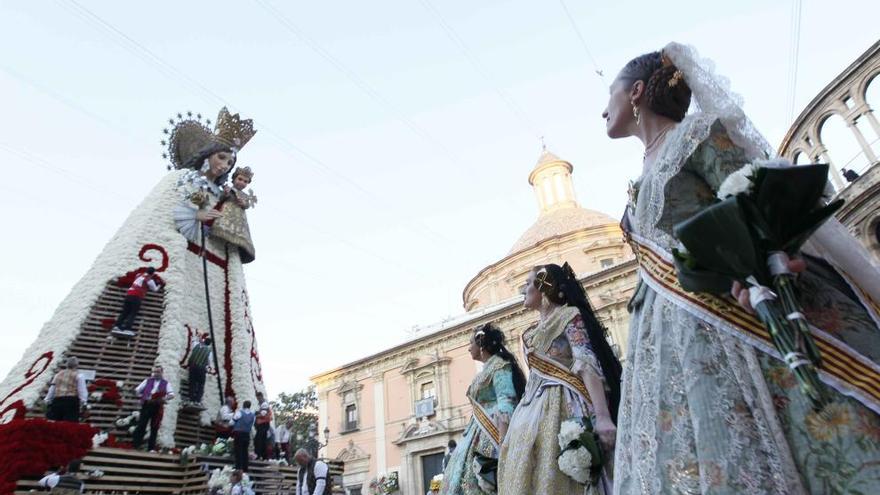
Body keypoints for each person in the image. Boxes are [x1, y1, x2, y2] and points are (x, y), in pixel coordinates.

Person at [604, 43, 880, 493]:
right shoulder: (641, 173)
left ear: (635, 92)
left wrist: (767, 262)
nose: (603, 110)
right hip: (666, 325)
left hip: (732, 312)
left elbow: (748, 195)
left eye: (609, 94)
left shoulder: (696, 134)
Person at [498, 263, 621, 495]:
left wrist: (603, 417)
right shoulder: (530, 334)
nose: (523, 290)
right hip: (530, 410)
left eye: (527, 284)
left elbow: (585, 363)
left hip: (567, 405)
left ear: (544, 286)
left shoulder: (569, 316)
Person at [440, 324, 524, 495]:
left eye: (471, 343)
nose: (469, 347)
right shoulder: (486, 370)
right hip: (477, 430)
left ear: (481, 345)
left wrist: (503, 442)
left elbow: (506, 400)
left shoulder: (499, 366)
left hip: (491, 432)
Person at [213, 166, 257, 263]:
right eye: (240, 179)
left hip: (240, 218)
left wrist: (243, 203)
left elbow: (247, 205)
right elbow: (221, 198)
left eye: (245, 181)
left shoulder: (245, 195)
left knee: (237, 239)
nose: (242, 182)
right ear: (234, 179)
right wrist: (225, 193)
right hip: (227, 212)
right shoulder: (228, 189)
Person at [132, 365, 175, 451]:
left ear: (162, 373)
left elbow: (171, 395)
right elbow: (138, 390)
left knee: (154, 427)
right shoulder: (147, 381)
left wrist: (163, 399)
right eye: (154, 372)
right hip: (147, 405)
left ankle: (150, 448)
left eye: (158, 372)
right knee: (141, 425)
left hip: (157, 407)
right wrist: (138, 393)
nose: (156, 374)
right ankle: (136, 445)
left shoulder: (166, 383)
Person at [112, 267, 163, 337]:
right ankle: (127, 329)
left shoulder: (139, 275)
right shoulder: (150, 280)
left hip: (129, 294)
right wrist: (159, 285)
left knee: (125, 312)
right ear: (153, 273)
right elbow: (155, 289)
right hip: (136, 296)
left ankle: (117, 326)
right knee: (133, 313)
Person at [44, 357, 88, 422]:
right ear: (76, 365)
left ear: (66, 365)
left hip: (57, 401)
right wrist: (84, 402)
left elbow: (52, 388)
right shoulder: (79, 375)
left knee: (55, 423)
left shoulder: (58, 375)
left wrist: (47, 399)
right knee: (69, 424)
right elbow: (82, 390)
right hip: (71, 402)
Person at [185, 335, 212, 407]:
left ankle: (191, 399)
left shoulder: (196, 345)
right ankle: (197, 400)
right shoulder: (209, 351)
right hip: (201, 369)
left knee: (192, 383)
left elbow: (193, 340)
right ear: (209, 344)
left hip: (193, 367)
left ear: (204, 341)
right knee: (200, 385)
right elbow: (209, 363)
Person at [232, 400, 256, 472]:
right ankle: (245, 468)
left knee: (238, 451)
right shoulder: (252, 415)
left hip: (238, 433)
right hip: (246, 434)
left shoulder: (239, 412)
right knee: (245, 451)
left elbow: (233, 421)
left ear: (243, 405)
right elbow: (252, 424)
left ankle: (238, 467)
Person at [254, 392, 273, 460]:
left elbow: (263, 414)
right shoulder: (261, 404)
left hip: (263, 425)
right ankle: (262, 456)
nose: (258, 399)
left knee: (259, 440)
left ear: (261, 396)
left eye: (258, 398)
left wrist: (255, 415)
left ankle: (260, 455)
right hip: (262, 425)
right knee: (261, 440)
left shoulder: (264, 404)